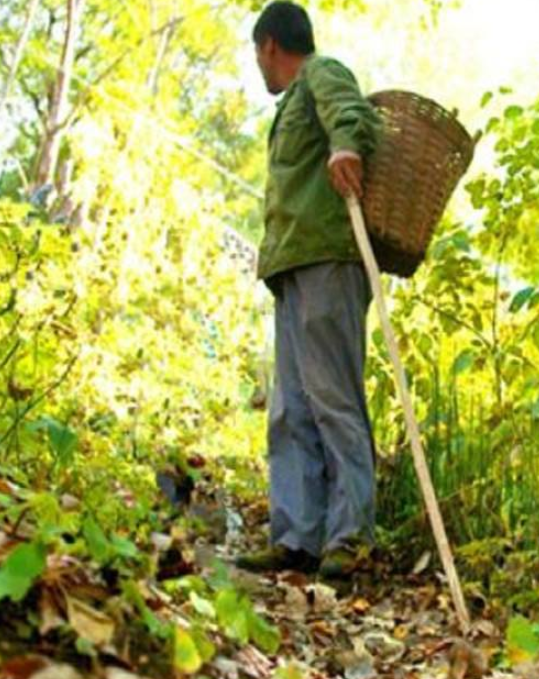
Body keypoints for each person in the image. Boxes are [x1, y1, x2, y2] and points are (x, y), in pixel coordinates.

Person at [236, 1, 380, 579]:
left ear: (270, 45)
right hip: (293, 266)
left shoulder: (320, 72)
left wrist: (346, 146)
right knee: (291, 408)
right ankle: (298, 537)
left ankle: (349, 535)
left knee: (333, 398)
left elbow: (352, 112)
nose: (259, 66)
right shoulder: (288, 106)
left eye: (257, 55)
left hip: (328, 258)